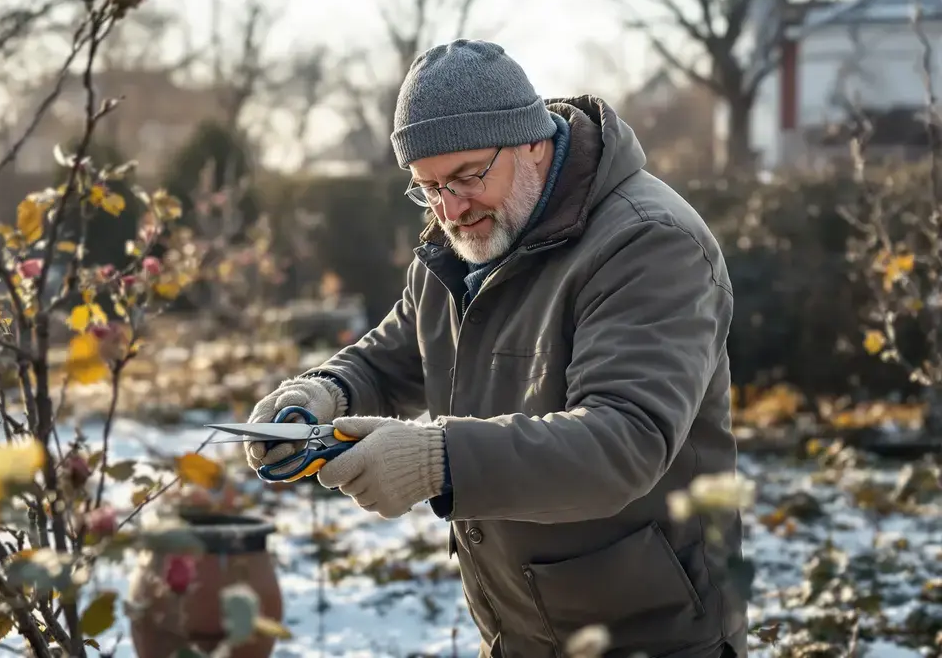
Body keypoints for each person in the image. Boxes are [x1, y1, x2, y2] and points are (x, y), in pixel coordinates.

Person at [244, 39, 746, 658]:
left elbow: (627, 440)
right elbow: (396, 353)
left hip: (650, 635)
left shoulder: (648, 243)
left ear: (532, 141)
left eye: (467, 176)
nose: (449, 209)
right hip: (519, 632)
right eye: (426, 187)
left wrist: (438, 461)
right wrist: (325, 391)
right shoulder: (466, 237)